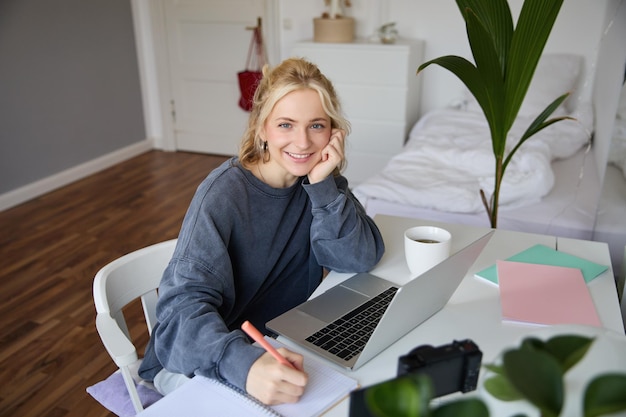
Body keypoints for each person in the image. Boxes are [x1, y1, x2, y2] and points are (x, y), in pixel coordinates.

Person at [138, 57, 385, 405]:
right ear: (261, 128)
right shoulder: (224, 194)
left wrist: (323, 187)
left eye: (316, 126)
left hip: (277, 343)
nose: (302, 143)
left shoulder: (320, 179)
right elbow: (179, 314)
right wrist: (243, 364)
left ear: (333, 132)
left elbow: (358, 258)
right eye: (286, 124)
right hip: (204, 359)